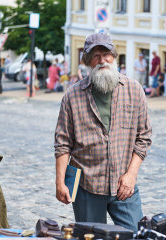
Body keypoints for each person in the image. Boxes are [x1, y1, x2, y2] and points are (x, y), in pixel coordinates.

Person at [54, 33, 152, 232]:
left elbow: (144, 137)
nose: (102, 60)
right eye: (95, 56)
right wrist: (60, 182)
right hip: (87, 186)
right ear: (87, 61)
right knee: (90, 236)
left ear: (114, 56)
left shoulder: (134, 90)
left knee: (135, 234)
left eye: (106, 54)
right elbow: (62, 143)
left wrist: (131, 174)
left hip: (124, 185)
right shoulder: (72, 96)